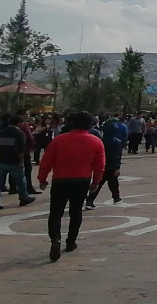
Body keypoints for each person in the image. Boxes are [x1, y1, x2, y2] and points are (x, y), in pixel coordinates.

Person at [38, 112, 105, 262]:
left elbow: (46, 161)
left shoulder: (59, 140)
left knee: (56, 212)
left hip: (60, 180)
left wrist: (42, 179)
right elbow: (100, 165)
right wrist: (96, 182)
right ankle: (70, 242)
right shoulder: (96, 141)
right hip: (82, 180)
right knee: (76, 212)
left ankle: (55, 239)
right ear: (91, 124)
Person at [85, 118, 125, 209]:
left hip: (102, 165)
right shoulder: (117, 142)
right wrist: (117, 167)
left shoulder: (101, 140)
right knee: (113, 183)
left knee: (99, 183)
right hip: (111, 166)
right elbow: (117, 156)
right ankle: (116, 198)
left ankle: (90, 201)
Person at [0, 115, 35, 207]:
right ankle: (23, 198)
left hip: (2, 160)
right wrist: (21, 161)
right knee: (20, 180)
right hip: (14, 160)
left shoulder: (2, 132)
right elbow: (20, 149)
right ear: (18, 123)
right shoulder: (19, 133)